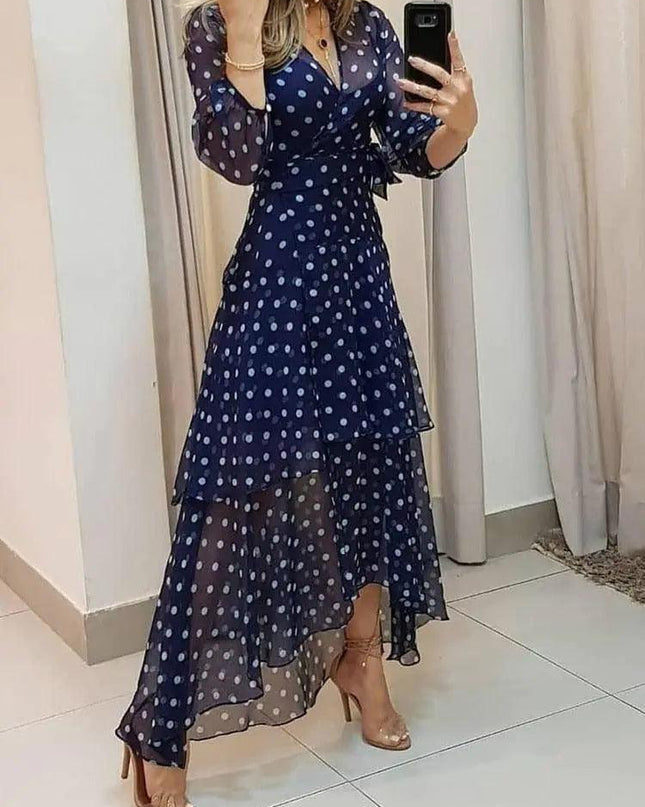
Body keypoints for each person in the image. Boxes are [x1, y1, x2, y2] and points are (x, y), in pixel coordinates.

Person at [116, 0, 477, 804]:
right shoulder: (215, 24)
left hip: (357, 279)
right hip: (277, 285)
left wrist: (458, 123)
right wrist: (246, 31)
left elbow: (408, 144)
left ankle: (362, 660)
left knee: (370, 473)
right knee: (230, 500)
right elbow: (235, 155)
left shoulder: (366, 24)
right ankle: (158, 725)